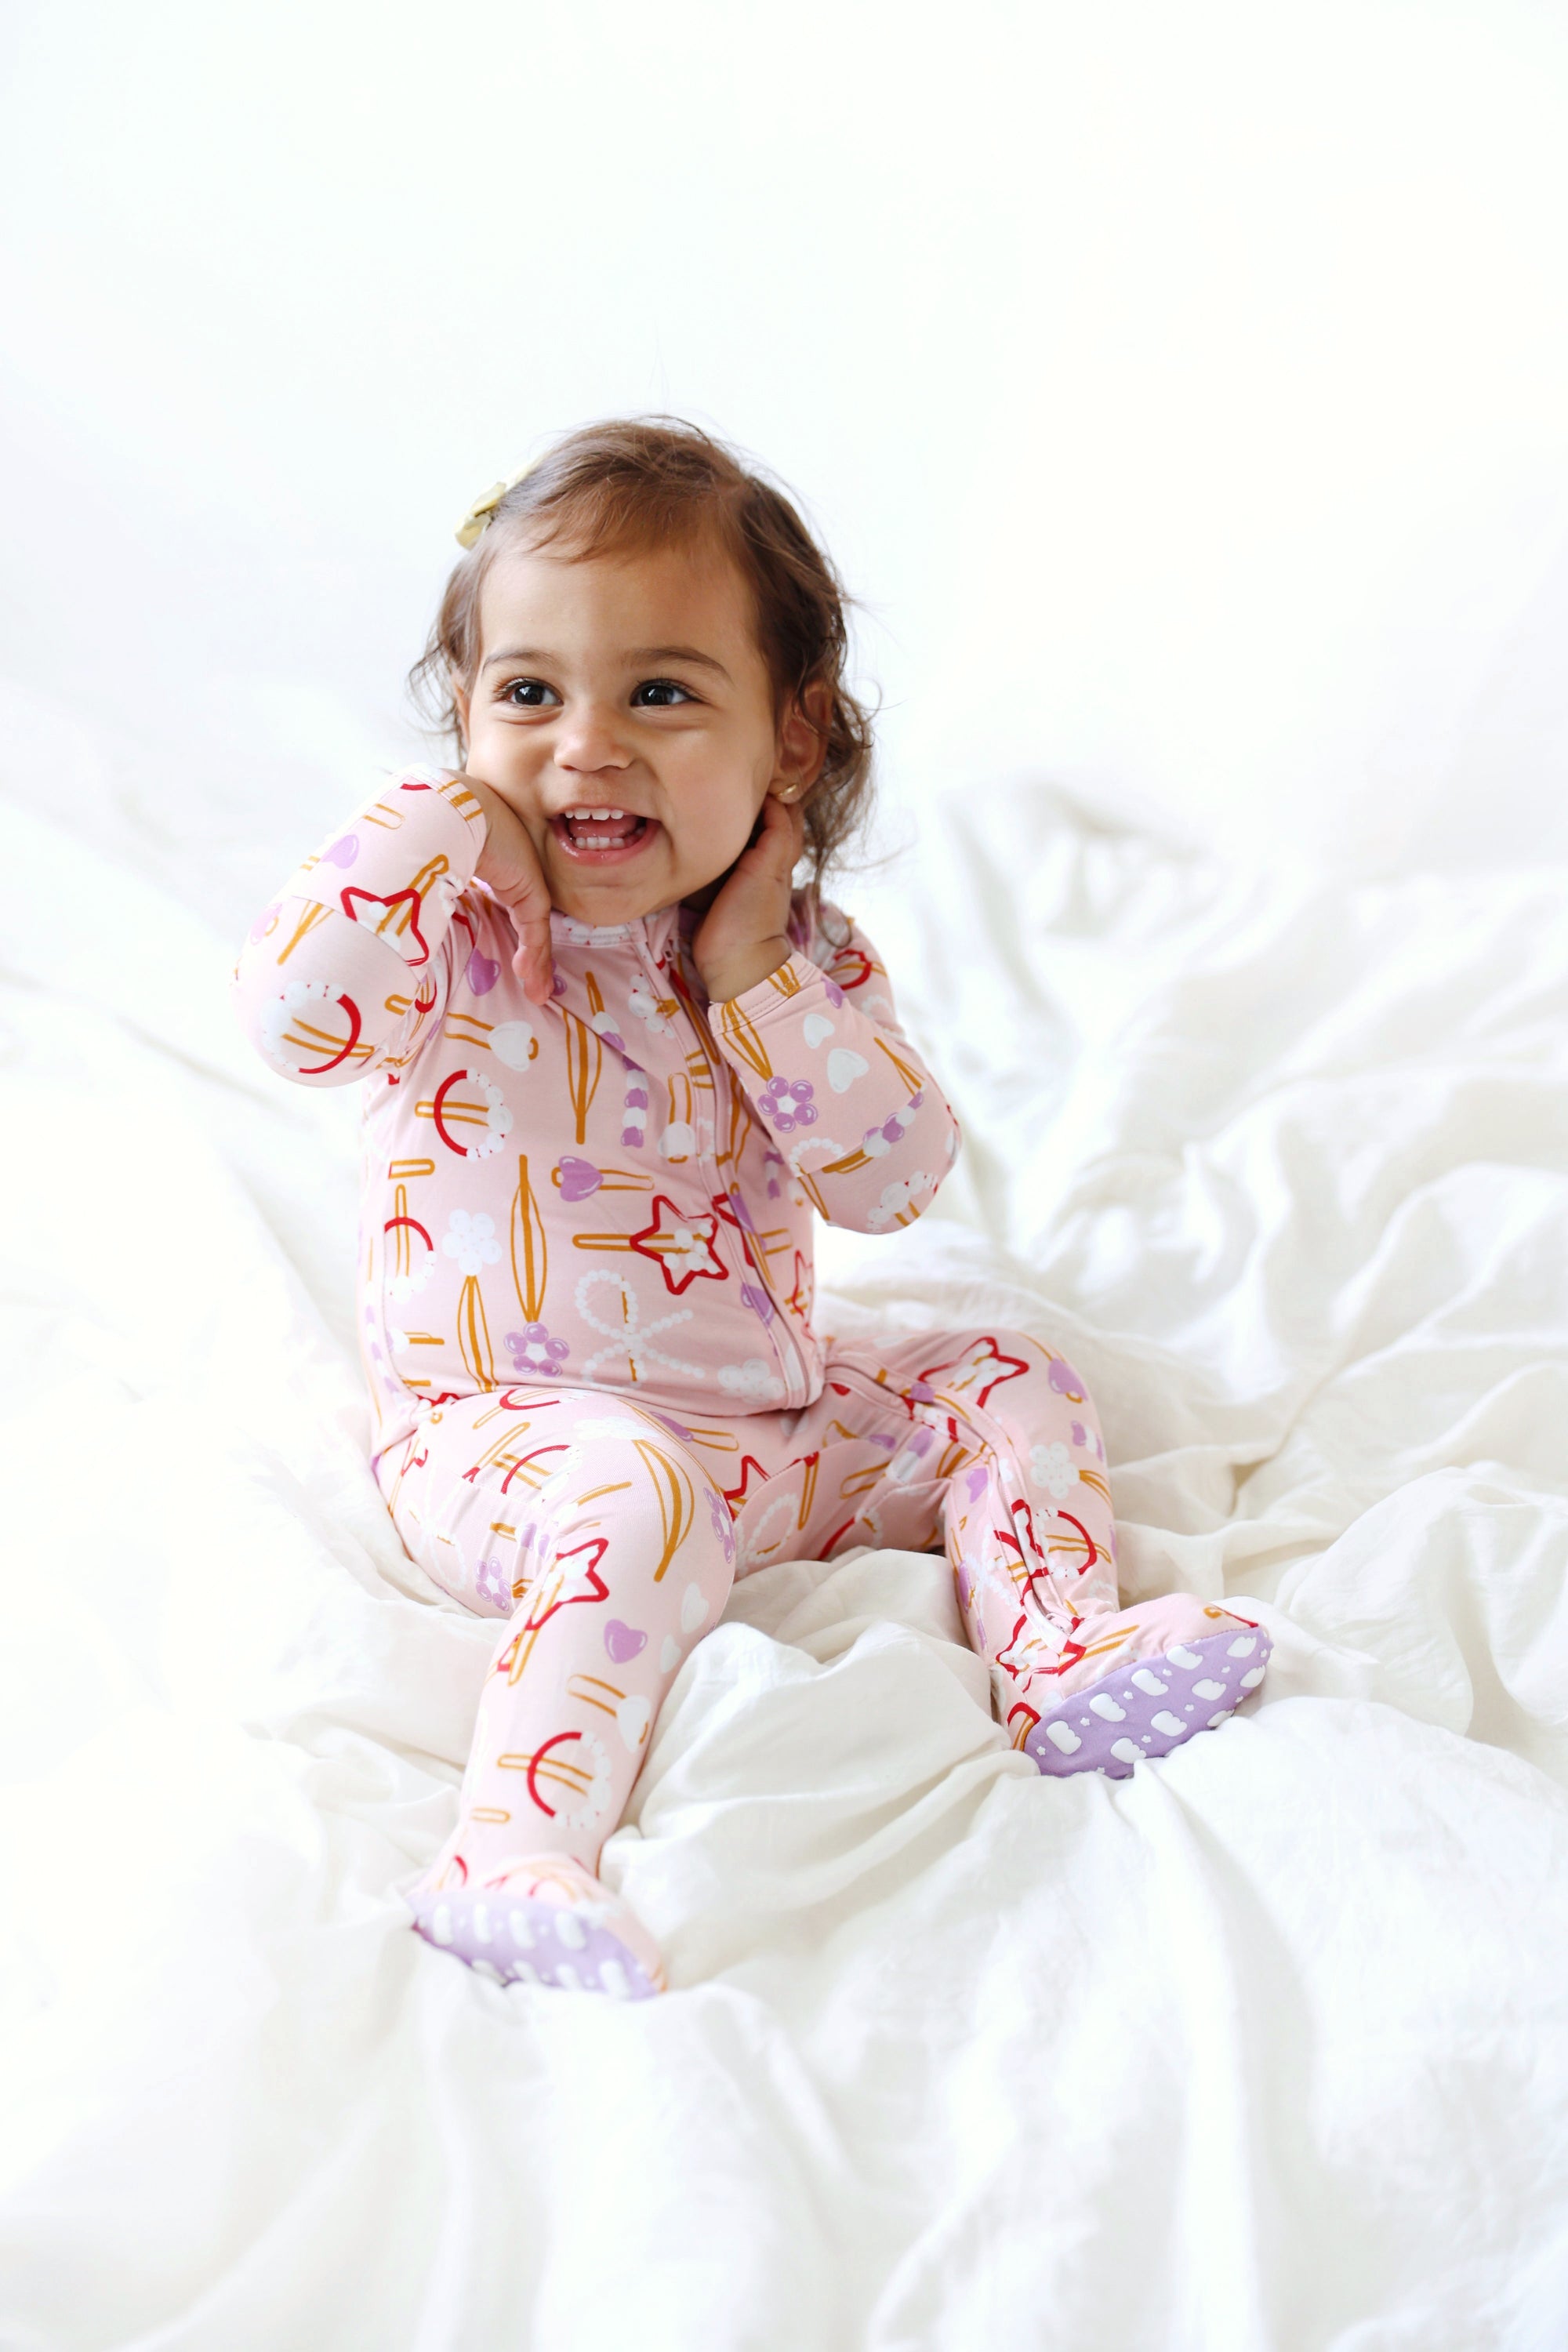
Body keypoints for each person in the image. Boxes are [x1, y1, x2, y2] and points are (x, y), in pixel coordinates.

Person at [233, 419, 1269, 2001]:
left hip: (763, 1435)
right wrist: (435, 825)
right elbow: (293, 1022)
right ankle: (510, 1854)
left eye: (659, 692)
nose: (584, 744)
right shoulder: (452, 937)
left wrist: (749, 981)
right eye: (527, 694)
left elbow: (893, 1180)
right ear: (466, 723)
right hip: (511, 1435)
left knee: (1004, 1374)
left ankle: (1057, 1653)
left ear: (789, 745)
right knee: (629, 1492)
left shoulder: (804, 965)